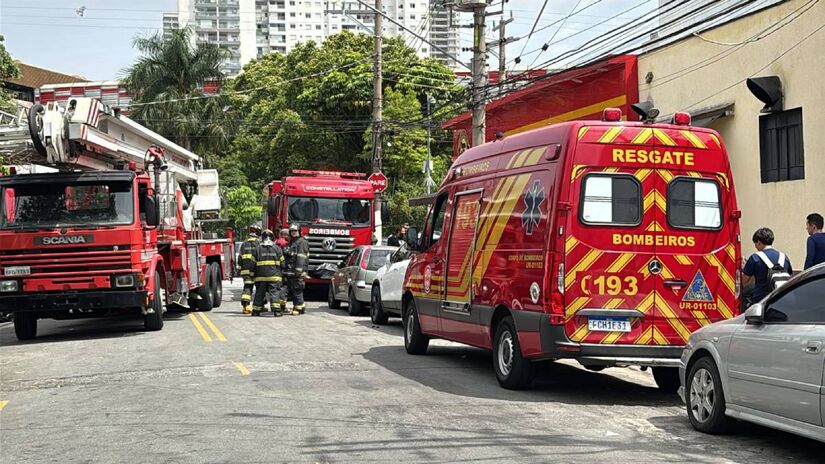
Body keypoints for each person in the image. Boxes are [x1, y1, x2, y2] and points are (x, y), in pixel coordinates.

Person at [742, 227, 793, 305]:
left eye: (755, 243)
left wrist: (744, 268)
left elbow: (744, 281)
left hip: (761, 299)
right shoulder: (784, 257)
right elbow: (789, 275)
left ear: (758, 242)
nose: (755, 246)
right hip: (781, 298)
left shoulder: (755, 257)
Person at [251, 229, 285, 317]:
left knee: (259, 293)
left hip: (260, 277)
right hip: (274, 277)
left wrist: (252, 274)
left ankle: (255, 311)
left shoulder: (257, 249)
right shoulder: (277, 248)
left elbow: (252, 264)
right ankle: (277, 311)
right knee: (274, 293)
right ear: (272, 238)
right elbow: (283, 263)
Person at [282, 223, 309, 315]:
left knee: (297, 289)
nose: (293, 233)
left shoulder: (302, 242)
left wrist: (298, 271)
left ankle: (298, 308)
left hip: (297, 272)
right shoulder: (291, 242)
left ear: (299, 231)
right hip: (290, 271)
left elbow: (301, 257)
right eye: (292, 231)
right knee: (292, 290)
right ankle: (298, 306)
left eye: (295, 231)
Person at [237, 225, 260, 314]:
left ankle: (245, 306)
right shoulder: (258, 243)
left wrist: (240, 268)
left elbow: (240, 258)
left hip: (245, 270)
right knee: (259, 288)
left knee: (247, 287)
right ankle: (259, 306)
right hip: (256, 270)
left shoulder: (244, 244)